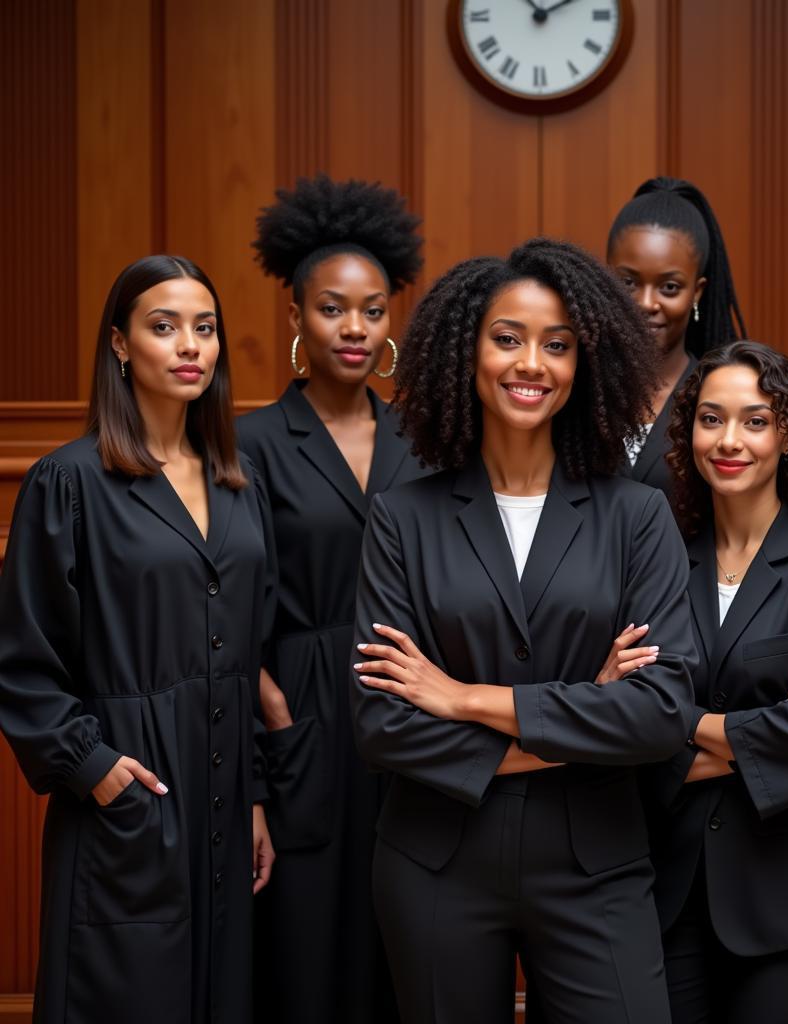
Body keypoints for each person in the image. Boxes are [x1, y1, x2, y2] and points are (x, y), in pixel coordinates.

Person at [349, 238, 699, 1023]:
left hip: (596, 865)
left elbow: (662, 711)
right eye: (507, 338)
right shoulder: (403, 516)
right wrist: (581, 714)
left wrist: (466, 698)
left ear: (587, 364)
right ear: (464, 350)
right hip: (435, 863)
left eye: (558, 344)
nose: (531, 363)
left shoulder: (636, 516)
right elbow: (381, 724)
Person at [0, 255, 275, 1024]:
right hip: (132, 787)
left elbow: (248, 652)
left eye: (205, 328)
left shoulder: (238, 479)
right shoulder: (69, 482)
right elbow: (21, 660)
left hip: (224, 799)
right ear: (120, 345)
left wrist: (252, 796)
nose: (190, 345)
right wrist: (93, 768)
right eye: (164, 327)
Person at [604, 341, 788, 1023]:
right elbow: (620, 727)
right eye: (711, 418)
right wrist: (764, 730)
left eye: (755, 421)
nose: (730, 441)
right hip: (666, 884)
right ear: (688, 431)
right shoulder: (657, 562)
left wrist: (684, 721)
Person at [237, 173, 425, 1023]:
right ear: (296, 318)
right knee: (304, 952)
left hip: (408, 706)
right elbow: (234, 607)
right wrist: (275, 715)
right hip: (304, 707)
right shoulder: (251, 444)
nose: (355, 328)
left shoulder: (421, 442)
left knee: (405, 940)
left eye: (374, 309)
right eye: (333, 308)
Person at [607, 177, 746, 501]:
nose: (646, 303)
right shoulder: (576, 390)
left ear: (696, 291)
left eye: (669, 287)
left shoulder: (716, 396)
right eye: (628, 282)